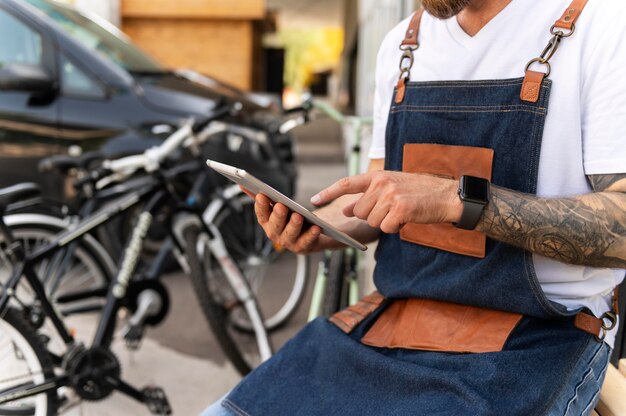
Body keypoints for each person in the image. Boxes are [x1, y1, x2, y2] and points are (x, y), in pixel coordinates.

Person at [202, 0, 626, 414]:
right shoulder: (403, 45)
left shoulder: (602, 26)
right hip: (391, 326)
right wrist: (317, 225)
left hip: (536, 342)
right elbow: (373, 196)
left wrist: (454, 199)